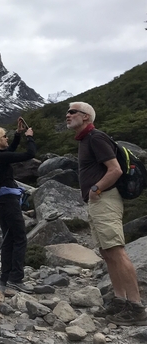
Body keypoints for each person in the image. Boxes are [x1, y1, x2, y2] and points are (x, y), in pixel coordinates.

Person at [66, 102, 147, 325]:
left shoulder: (96, 138)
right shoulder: (85, 140)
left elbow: (115, 169)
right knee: (107, 253)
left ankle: (137, 308)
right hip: (98, 201)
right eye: (68, 112)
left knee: (117, 251)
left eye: (72, 112)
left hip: (105, 199)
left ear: (86, 117)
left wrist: (96, 189)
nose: (68, 115)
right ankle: (120, 301)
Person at [0, 118, 35, 293]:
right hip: (9, 201)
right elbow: (29, 155)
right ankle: (16, 278)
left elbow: (11, 150)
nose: (7, 138)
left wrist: (18, 135)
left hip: (1, 201)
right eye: (4, 136)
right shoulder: (2, 157)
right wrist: (30, 138)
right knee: (20, 238)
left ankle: (5, 276)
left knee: (8, 238)